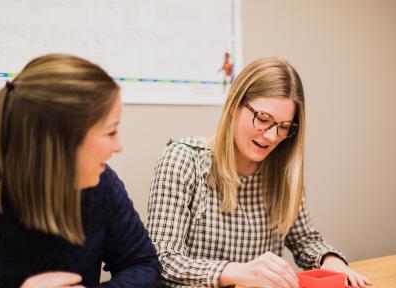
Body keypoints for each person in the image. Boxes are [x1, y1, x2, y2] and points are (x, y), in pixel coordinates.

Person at [147, 57, 371, 288]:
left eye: (284, 127)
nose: (272, 136)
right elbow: (163, 261)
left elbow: (304, 240)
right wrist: (236, 272)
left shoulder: (281, 172)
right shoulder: (183, 160)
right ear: (234, 104)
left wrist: (329, 259)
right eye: (263, 118)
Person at [0, 54, 161, 287]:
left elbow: (144, 265)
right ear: (62, 142)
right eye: (110, 132)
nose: (119, 146)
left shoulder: (102, 184)